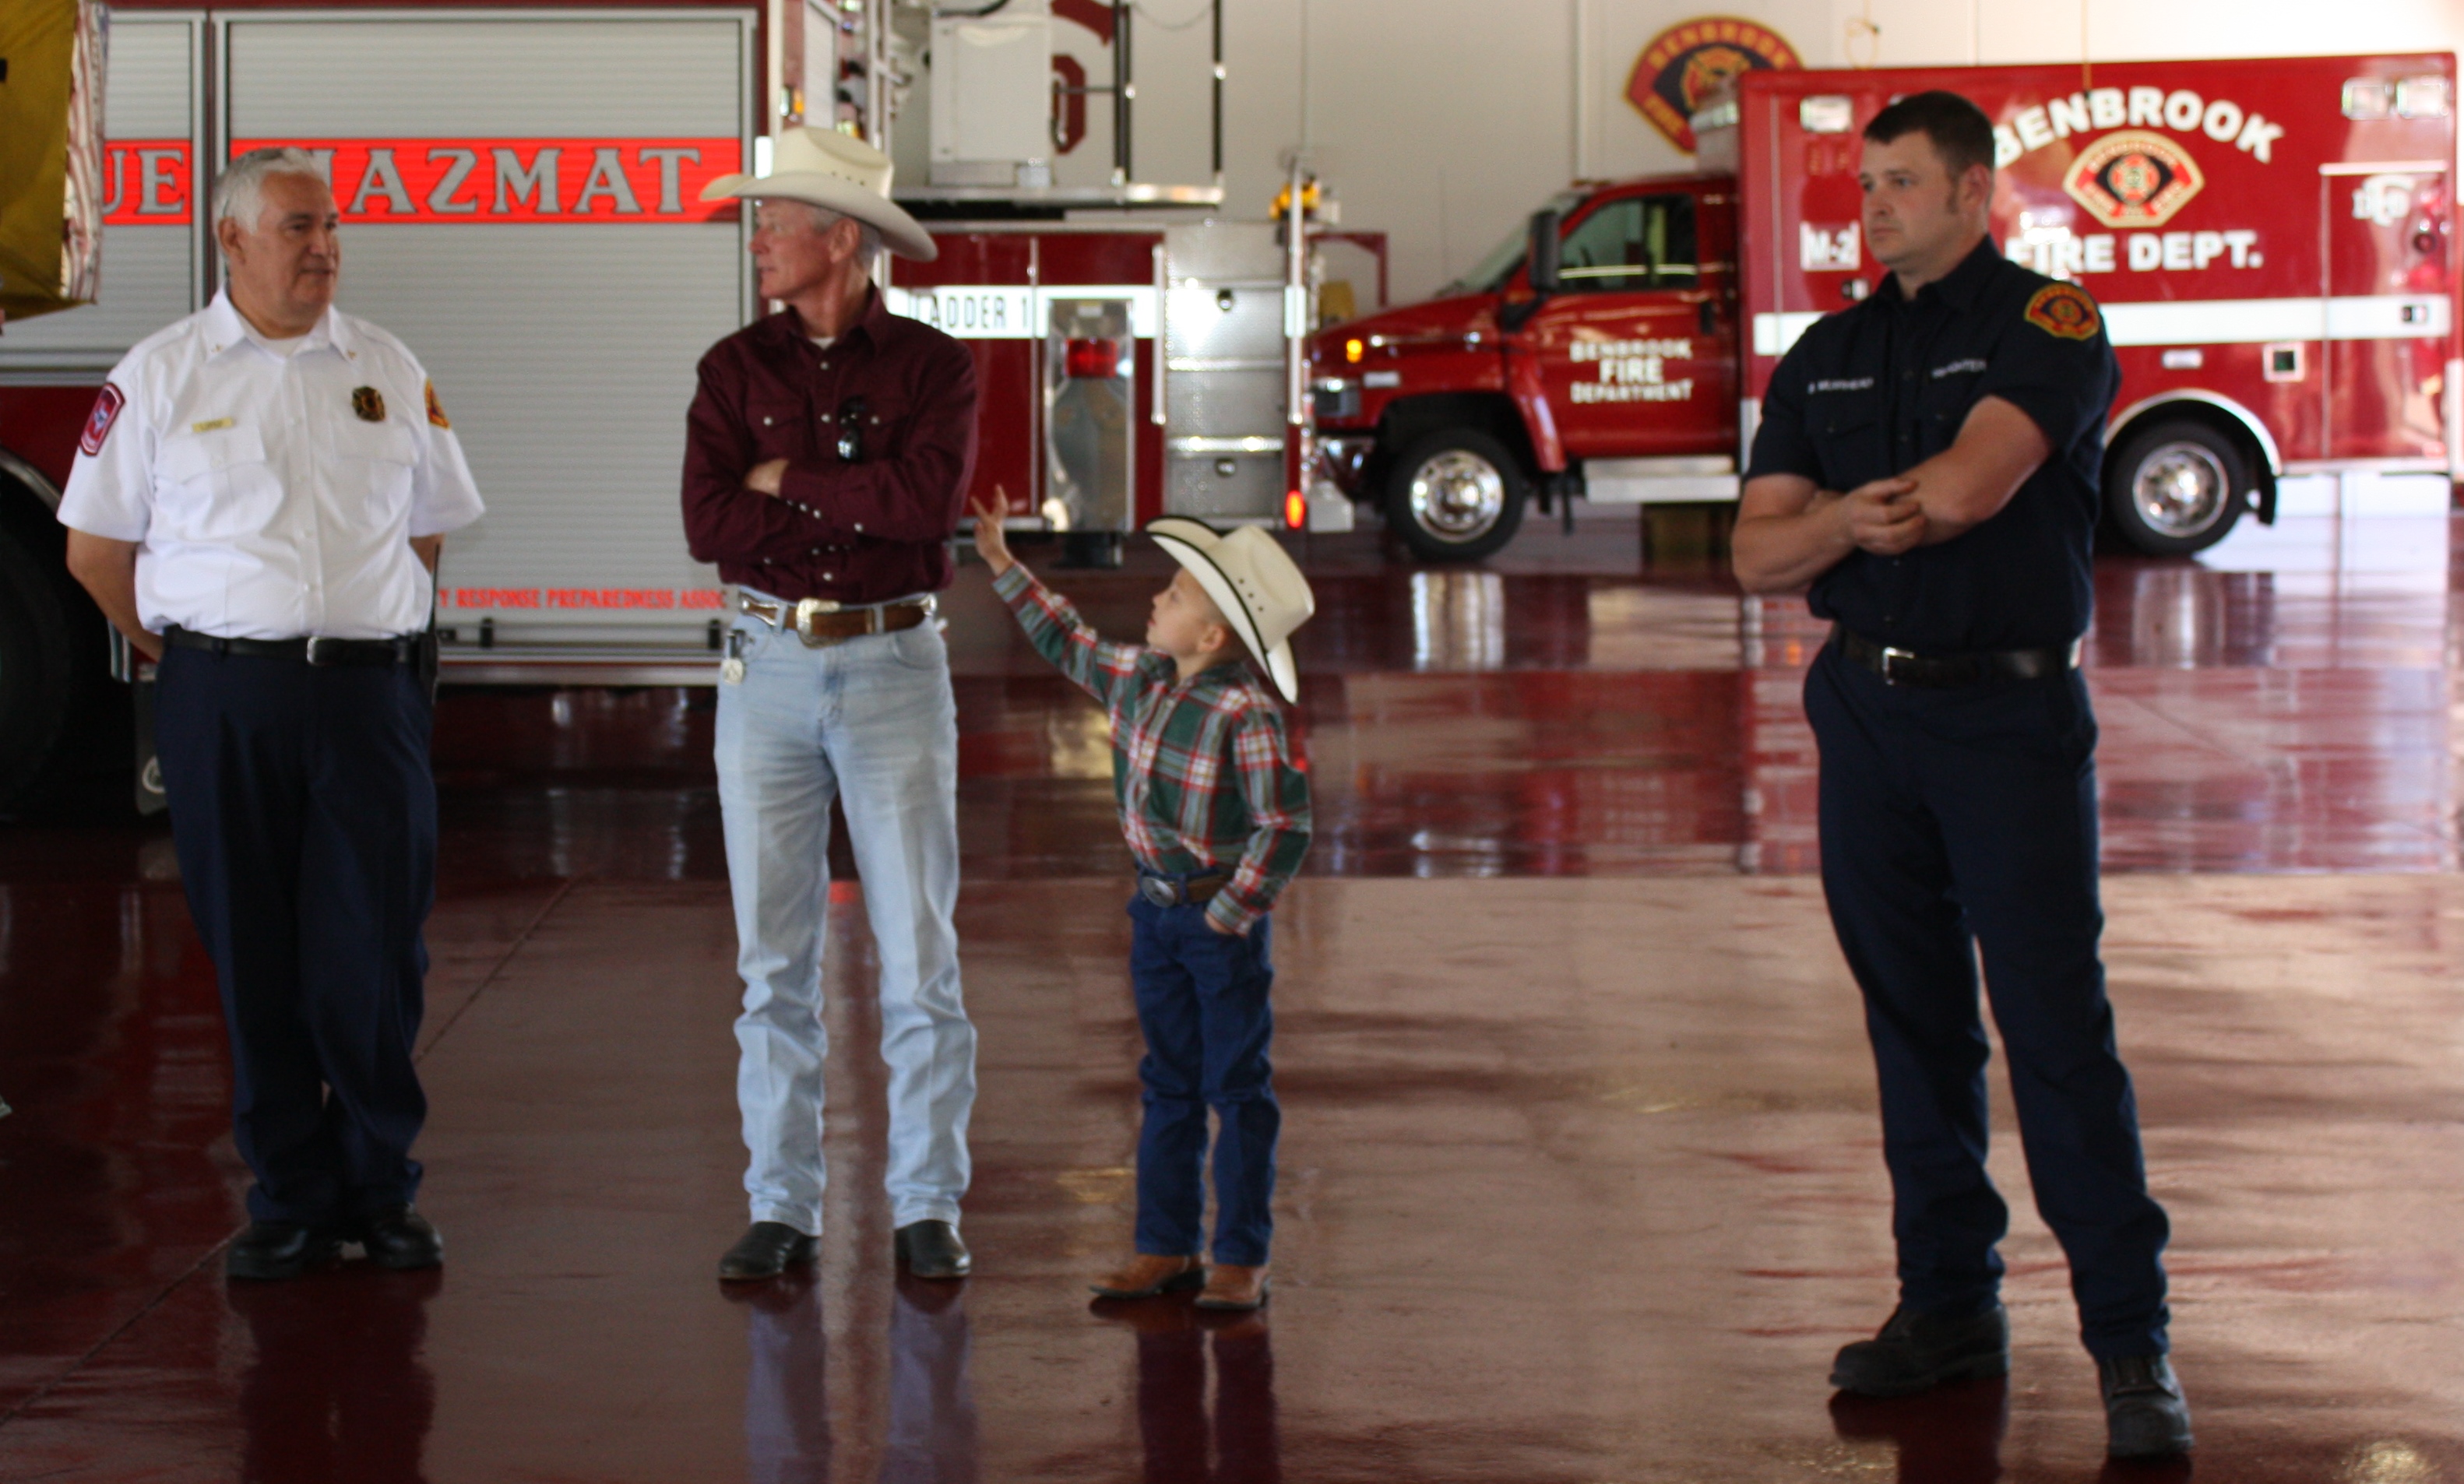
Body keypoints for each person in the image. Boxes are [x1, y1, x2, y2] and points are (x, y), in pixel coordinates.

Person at [1729, 91, 2191, 1460]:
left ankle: (2127, 1343)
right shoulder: (1824, 351)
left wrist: (1835, 522)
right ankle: (1944, 1307)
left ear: (1972, 192)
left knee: (2052, 1029)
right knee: (1911, 1024)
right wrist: (1836, 523)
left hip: (2003, 725)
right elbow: (1753, 556)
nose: (1870, 203)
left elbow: (1973, 487)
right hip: (1865, 717)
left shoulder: (2042, 326)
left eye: (1900, 182)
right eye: (1862, 182)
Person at [58, 146, 484, 1280]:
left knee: (378, 945)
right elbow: (96, 549)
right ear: (233, 243)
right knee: (253, 943)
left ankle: (380, 1186)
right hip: (225, 698)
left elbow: (430, 527)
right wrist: (189, 652)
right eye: (298, 226)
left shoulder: (387, 366)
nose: (324, 246)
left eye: (331, 225)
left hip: (367, 695)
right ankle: (291, 1194)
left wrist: (363, 631)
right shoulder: (160, 376)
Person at [683, 128, 980, 1283]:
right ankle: (782, 1205)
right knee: (774, 962)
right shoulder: (730, 368)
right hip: (769, 667)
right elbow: (710, 525)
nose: (759, 238)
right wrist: (851, 504)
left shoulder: (935, 368)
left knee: (920, 953)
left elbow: (923, 506)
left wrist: (789, 482)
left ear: (840, 239)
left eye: (777, 220)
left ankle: (926, 1204)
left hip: (893, 665)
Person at [970, 496, 1313, 1313]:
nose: (1156, 600)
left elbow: (1284, 826)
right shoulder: (1142, 679)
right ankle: (1163, 1246)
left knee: (1235, 1085)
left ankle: (1239, 1256)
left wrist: (1228, 914)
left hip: (1213, 924)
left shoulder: (1246, 712)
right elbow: (1066, 637)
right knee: (1166, 1080)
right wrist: (999, 560)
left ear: (1212, 638)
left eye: (1177, 594)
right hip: (1154, 916)